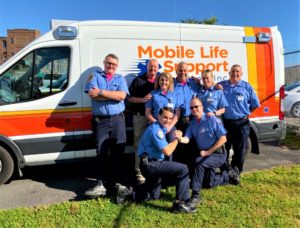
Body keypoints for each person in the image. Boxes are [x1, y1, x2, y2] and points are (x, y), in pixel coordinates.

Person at [117, 107, 196, 213]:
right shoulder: (156, 130)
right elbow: (168, 151)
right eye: (165, 117)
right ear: (158, 116)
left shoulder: (161, 128)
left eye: (170, 118)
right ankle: (180, 203)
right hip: (150, 164)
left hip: (151, 163)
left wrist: (178, 136)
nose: (167, 121)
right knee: (183, 169)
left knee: (154, 195)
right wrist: (177, 139)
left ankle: (127, 191)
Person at [84, 53, 129, 198]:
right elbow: (92, 94)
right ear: (104, 63)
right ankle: (100, 184)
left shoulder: (120, 78)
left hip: (118, 120)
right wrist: (112, 95)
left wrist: (101, 92)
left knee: (118, 151)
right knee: (100, 152)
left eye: (114, 65)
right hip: (101, 121)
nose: (111, 66)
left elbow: (121, 96)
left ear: (117, 66)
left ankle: (117, 183)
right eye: (109, 63)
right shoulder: (94, 76)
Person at [178, 97, 229, 206]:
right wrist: (178, 138)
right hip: (206, 155)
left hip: (218, 154)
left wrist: (208, 152)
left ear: (202, 107)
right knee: (208, 183)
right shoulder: (192, 123)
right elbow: (186, 139)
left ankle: (196, 195)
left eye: (196, 106)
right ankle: (225, 176)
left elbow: (223, 139)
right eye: (191, 107)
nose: (194, 109)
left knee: (199, 162)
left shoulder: (212, 119)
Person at [218, 64, 260, 184]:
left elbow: (255, 104)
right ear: (229, 73)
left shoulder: (246, 87)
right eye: (233, 71)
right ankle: (225, 171)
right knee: (224, 148)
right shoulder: (222, 85)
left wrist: (246, 113)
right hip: (225, 122)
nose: (235, 73)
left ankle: (236, 173)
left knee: (240, 149)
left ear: (241, 74)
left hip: (241, 123)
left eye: (237, 72)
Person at [127, 59, 159, 184]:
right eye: (150, 66)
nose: (153, 69)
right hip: (140, 117)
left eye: (155, 67)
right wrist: (143, 99)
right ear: (147, 67)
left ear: (158, 68)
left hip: (156, 118)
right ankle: (139, 172)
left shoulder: (160, 80)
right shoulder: (138, 80)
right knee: (139, 145)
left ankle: (153, 171)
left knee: (156, 144)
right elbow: (129, 98)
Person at [145, 72, 181, 141]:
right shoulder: (153, 94)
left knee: (173, 142)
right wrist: (156, 123)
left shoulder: (174, 95)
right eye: (162, 80)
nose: (164, 82)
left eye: (166, 80)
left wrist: (170, 126)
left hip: (170, 125)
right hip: (156, 124)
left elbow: (177, 113)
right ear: (158, 81)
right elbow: (147, 112)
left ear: (169, 82)